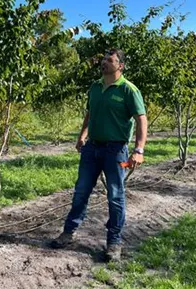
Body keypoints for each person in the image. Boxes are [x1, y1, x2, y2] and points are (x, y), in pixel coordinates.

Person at [50, 48, 148, 261]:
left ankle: (114, 242)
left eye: (109, 60)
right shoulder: (94, 87)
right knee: (81, 192)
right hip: (91, 149)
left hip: (115, 151)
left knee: (115, 197)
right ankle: (68, 233)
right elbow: (90, 113)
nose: (104, 62)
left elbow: (141, 119)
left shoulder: (128, 90)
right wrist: (82, 135)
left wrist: (138, 150)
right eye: (104, 59)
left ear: (120, 65)